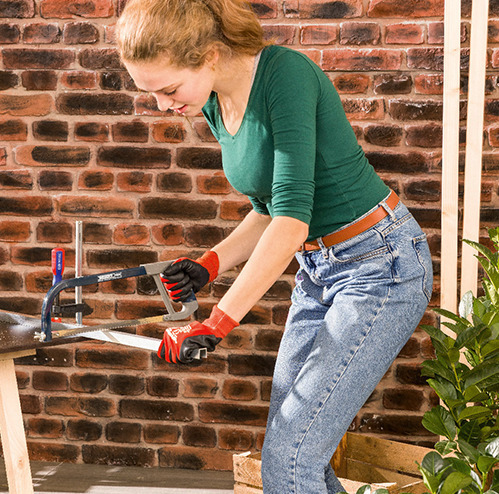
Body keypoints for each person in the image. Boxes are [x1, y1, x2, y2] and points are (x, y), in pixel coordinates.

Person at [116, 0, 433, 492]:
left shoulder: (285, 77)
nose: (163, 105)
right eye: (152, 93)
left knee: (291, 459)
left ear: (209, 55)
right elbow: (268, 207)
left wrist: (217, 323)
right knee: (297, 454)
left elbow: (289, 221)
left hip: (379, 266)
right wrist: (209, 265)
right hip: (319, 269)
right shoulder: (216, 103)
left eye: (169, 88)